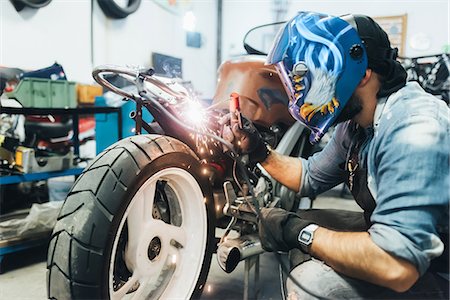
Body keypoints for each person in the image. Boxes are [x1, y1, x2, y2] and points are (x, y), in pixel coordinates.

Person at [222, 12, 449, 299]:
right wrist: (258, 150)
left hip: (436, 265)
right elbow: (309, 176)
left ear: (362, 71)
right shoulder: (356, 125)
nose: (304, 89)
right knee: (301, 220)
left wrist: (301, 232)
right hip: (407, 242)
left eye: (316, 73)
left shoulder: (414, 128)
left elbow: (398, 265)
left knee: (313, 283)